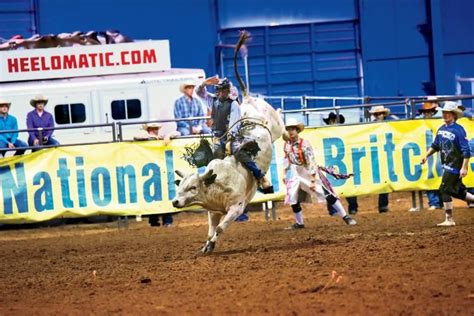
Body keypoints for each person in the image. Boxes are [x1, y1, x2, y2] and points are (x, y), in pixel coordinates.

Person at [197, 76, 272, 191]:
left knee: (240, 153)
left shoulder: (233, 104)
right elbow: (199, 93)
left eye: (223, 90)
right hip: (217, 137)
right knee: (212, 160)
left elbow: (234, 123)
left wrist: (230, 138)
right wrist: (203, 84)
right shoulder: (213, 100)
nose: (221, 92)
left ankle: (260, 177)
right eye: (219, 90)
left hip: (231, 136)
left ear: (227, 91)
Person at [283, 118, 357, 229]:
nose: (290, 131)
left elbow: (311, 162)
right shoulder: (287, 145)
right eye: (288, 129)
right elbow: (287, 159)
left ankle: (346, 217)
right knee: (293, 197)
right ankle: (299, 223)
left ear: (297, 130)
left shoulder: (304, 144)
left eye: (292, 129)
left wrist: (312, 180)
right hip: (295, 172)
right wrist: (284, 173)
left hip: (307, 171)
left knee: (326, 194)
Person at [421, 101, 474, 226]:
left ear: (453, 115)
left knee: (444, 189)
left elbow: (465, 150)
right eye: (444, 113)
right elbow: (435, 145)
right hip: (448, 165)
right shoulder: (441, 129)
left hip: (455, 165)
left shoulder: (459, 130)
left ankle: (449, 219)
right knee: (458, 191)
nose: (444, 115)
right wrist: (426, 155)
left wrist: (464, 167)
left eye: (447, 113)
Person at [134, 122, 177, 227]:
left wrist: (168, 135)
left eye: (156, 128)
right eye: (153, 128)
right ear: (148, 129)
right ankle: (154, 221)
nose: (155, 130)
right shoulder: (146, 138)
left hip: (161, 170)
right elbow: (137, 137)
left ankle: (167, 220)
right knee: (153, 196)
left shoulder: (161, 138)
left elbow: (177, 133)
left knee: (164, 195)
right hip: (150, 171)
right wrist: (150, 137)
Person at [323, 112, 358, 215]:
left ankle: (353, 207)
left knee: (349, 184)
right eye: (331, 121)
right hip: (330, 163)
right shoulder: (324, 134)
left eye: (335, 120)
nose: (333, 123)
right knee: (329, 186)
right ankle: (333, 210)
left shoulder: (346, 133)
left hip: (345, 161)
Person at [416, 99, 443, 210]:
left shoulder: (439, 120)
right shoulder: (418, 121)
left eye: (429, 111)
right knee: (429, 174)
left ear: (433, 111)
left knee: (440, 175)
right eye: (425, 112)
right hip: (425, 150)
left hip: (437, 150)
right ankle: (434, 202)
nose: (427, 113)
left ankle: (439, 202)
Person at [369, 105, 391, 213]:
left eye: (381, 114)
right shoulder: (370, 126)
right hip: (371, 155)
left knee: (384, 178)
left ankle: (383, 205)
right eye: (377, 114)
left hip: (385, 154)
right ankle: (353, 208)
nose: (379, 116)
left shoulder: (389, 125)